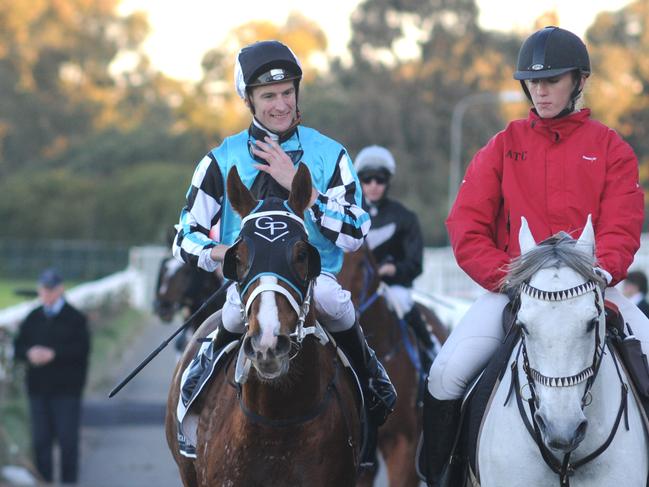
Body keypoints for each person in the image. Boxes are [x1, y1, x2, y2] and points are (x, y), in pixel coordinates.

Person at [419, 26, 646, 486]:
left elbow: (622, 227)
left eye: (552, 80)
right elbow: (466, 227)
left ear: (578, 81)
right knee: (443, 377)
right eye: (533, 82)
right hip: (515, 294)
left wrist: (601, 273)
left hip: (593, 292)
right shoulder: (503, 146)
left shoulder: (611, 148)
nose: (540, 91)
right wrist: (509, 278)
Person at [172, 40, 396, 461]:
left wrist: (304, 188)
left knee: (333, 299)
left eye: (287, 93)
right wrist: (222, 254)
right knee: (235, 314)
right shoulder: (221, 160)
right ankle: (194, 396)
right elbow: (184, 236)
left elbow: (355, 233)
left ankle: (370, 386)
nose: (280, 105)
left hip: (317, 282)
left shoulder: (332, 154)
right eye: (268, 96)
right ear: (248, 99)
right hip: (250, 286)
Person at [354, 145, 436, 372]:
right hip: (357, 288)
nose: (373, 186)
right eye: (367, 179)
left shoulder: (405, 217)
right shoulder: (348, 216)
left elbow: (415, 263)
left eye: (379, 179)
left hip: (392, 288)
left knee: (402, 301)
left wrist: (393, 270)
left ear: (387, 181)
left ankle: (431, 349)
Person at [13, 269, 90, 484]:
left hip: (67, 390)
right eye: (42, 289)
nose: (45, 293)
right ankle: (44, 481)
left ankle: (68, 482)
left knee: (67, 442)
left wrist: (53, 354)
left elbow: (81, 351)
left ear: (60, 290)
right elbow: (19, 347)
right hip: (37, 389)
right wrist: (29, 353)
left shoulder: (75, 318)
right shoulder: (33, 316)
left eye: (49, 289)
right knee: (41, 442)